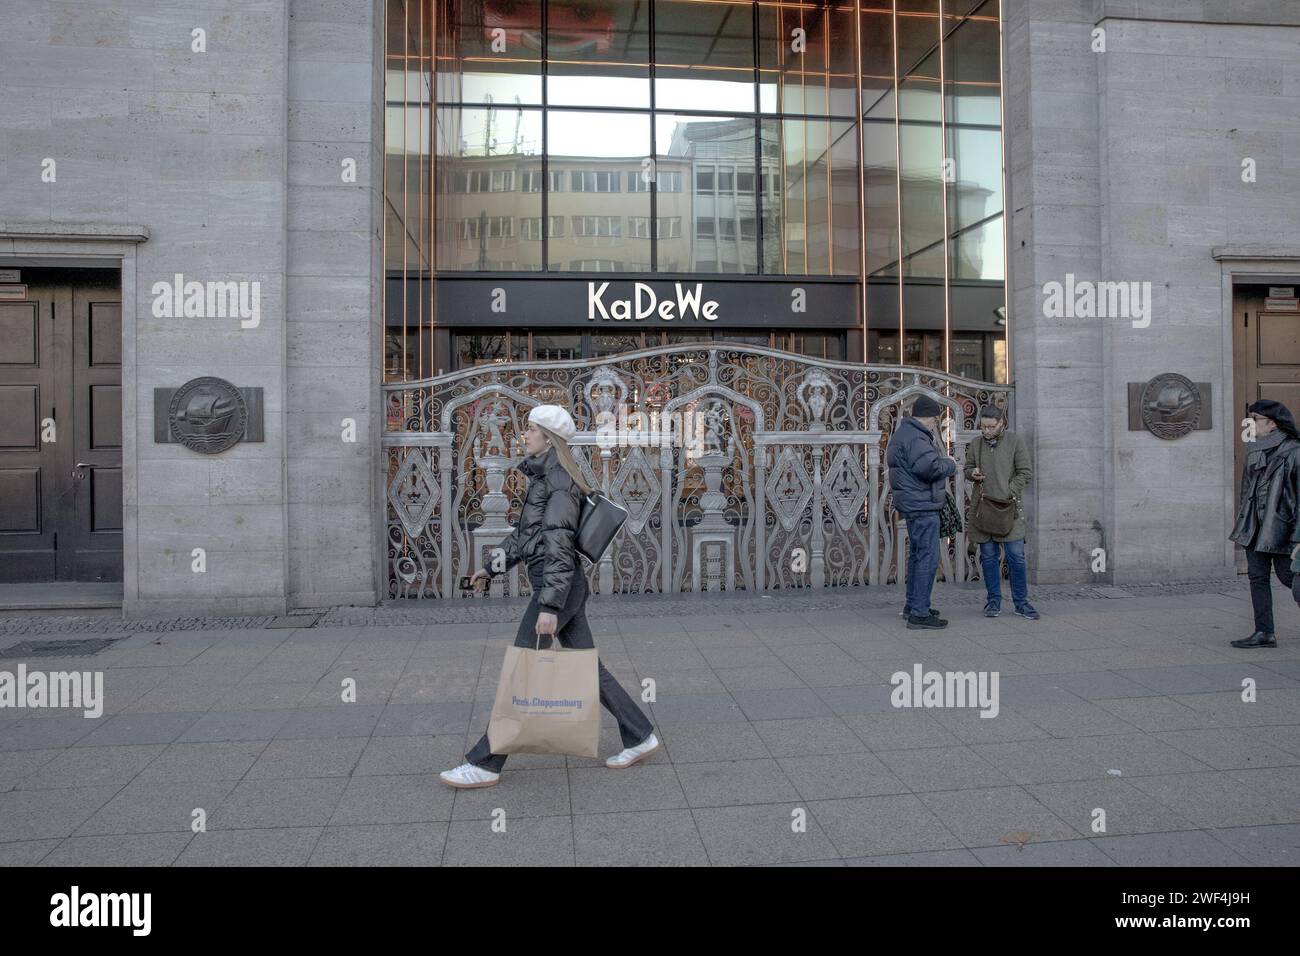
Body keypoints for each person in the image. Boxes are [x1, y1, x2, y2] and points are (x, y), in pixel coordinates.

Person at [440, 404, 659, 788]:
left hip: (556, 588)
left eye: (530, 429)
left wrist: (549, 606)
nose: (523, 435)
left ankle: (485, 763)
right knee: (589, 668)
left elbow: (558, 544)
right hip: (564, 586)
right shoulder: (547, 478)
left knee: (522, 670)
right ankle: (641, 735)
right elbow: (529, 537)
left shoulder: (557, 480)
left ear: (548, 437)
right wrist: (490, 568)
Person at [1228, 399, 1300, 649]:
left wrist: (1297, 538)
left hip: (1282, 529)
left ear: (1272, 424)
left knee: (1290, 578)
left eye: (1255, 419)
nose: (1250, 423)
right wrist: (1244, 522)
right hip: (1255, 528)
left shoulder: (1294, 452)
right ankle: (1264, 632)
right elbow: (1247, 492)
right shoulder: (1255, 450)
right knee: (1257, 578)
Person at [886, 395, 958, 630]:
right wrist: (950, 464)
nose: (935, 424)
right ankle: (919, 612)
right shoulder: (916, 437)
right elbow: (929, 468)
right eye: (935, 420)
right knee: (927, 558)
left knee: (918, 556)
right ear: (929, 417)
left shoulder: (904, 433)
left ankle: (914, 605)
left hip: (914, 503)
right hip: (922, 504)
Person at [965, 405, 1039, 620]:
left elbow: (1026, 472)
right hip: (985, 510)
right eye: (983, 427)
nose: (986, 431)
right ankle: (993, 602)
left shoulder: (1014, 441)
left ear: (1001, 424)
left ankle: (1021, 602)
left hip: (1009, 509)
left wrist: (1009, 490)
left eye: (991, 426)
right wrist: (973, 473)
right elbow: (967, 468)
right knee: (988, 557)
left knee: (1016, 557)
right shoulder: (976, 444)